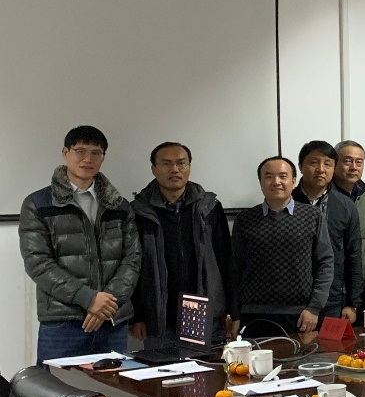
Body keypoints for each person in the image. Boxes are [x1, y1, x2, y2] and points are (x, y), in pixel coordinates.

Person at [20, 126, 140, 362]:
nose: (88, 159)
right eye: (80, 151)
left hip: (111, 320)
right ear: (65, 153)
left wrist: (107, 302)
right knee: (57, 385)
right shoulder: (39, 203)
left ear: (103, 158)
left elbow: (132, 259)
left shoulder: (120, 205)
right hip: (63, 322)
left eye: (96, 153)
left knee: (111, 385)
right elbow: (38, 262)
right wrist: (88, 298)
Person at [131, 142, 234, 347]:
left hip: (203, 312)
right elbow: (132, 266)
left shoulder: (209, 207)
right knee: (162, 367)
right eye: (166, 163)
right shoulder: (139, 211)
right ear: (154, 169)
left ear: (189, 167)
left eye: (181, 163)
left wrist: (231, 309)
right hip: (159, 316)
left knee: (207, 367)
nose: (175, 169)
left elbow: (225, 260)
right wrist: (136, 316)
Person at [231, 157, 333, 335]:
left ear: (293, 181)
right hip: (253, 314)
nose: (276, 182)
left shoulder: (312, 215)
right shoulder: (244, 219)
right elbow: (234, 269)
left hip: (301, 315)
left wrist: (314, 307)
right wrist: (235, 314)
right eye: (269, 177)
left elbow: (325, 263)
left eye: (283, 176)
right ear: (261, 183)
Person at [293, 140, 363, 325]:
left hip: (333, 299)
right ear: (301, 166)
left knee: (330, 345)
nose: (321, 169)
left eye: (327, 164)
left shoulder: (345, 206)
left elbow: (353, 255)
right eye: (314, 163)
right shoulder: (288, 202)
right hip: (294, 300)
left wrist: (352, 303)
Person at [333, 140, 365, 302]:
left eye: (359, 162)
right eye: (348, 161)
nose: (354, 167)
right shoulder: (324, 196)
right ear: (335, 163)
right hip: (331, 286)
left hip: (362, 282)